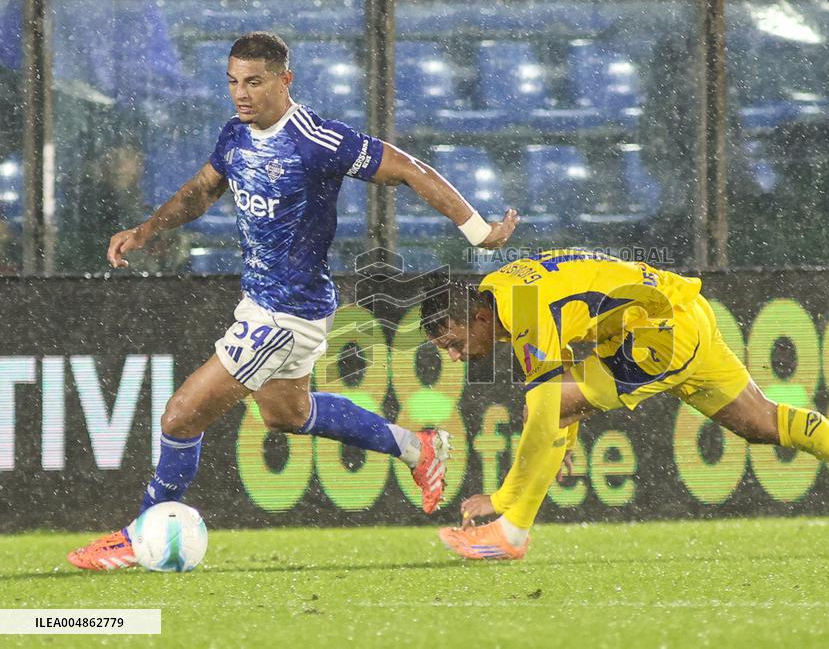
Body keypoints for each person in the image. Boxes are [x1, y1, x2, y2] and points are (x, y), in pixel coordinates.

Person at [67, 31, 519, 571]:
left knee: (181, 416)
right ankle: (417, 449)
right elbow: (204, 189)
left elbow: (407, 169)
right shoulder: (235, 135)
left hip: (287, 314)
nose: (242, 93)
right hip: (266, 304)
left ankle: (137, 536)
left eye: (254, 82)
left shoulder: (317, 139)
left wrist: (476, 230)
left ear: (285, 80)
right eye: (234, 82)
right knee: (288, 413)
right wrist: (147, 229)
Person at [420, 249, 829, 560]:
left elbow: (546, 409)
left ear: (478, 318)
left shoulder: (523, 309)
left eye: (453, 341)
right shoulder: (503, 290)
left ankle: (511, 533)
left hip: (657, 337)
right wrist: (558, 439)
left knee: (552, 408)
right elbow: (566, 379)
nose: (455, 355)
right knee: (761, 422)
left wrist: (506, 494)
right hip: (683, 311)